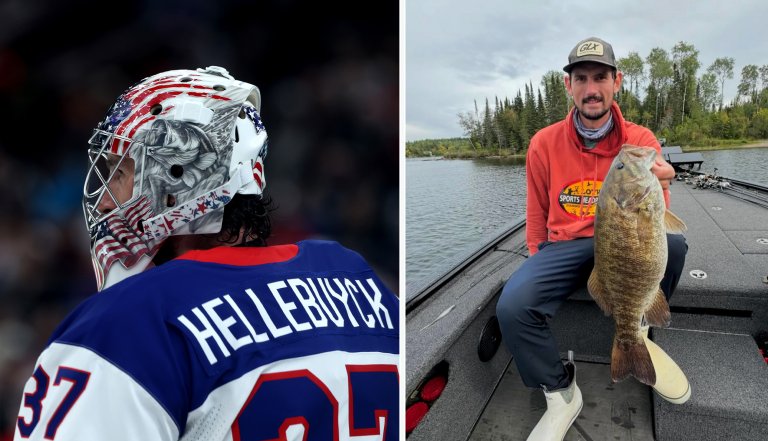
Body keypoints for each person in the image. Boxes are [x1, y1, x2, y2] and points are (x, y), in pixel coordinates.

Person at [14, 66, 399, 440]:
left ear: (177, 176)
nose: (103, 203)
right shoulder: (356, 279)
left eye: (119, 169)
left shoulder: (127, 324)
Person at [495, 37, 689, 440]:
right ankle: (561, 392)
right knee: (513, 306)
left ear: (617, 81)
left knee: (675, 246)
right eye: (581, 78)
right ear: (569, 87)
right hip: (565, 246)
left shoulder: (641, 139)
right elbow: (535, 212)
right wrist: (536, 257)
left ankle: (639, 332)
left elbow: (659, 215)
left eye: (600, 76)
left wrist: (666, 177)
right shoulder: (543, 143)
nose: (591, 88)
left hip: (624, 243)